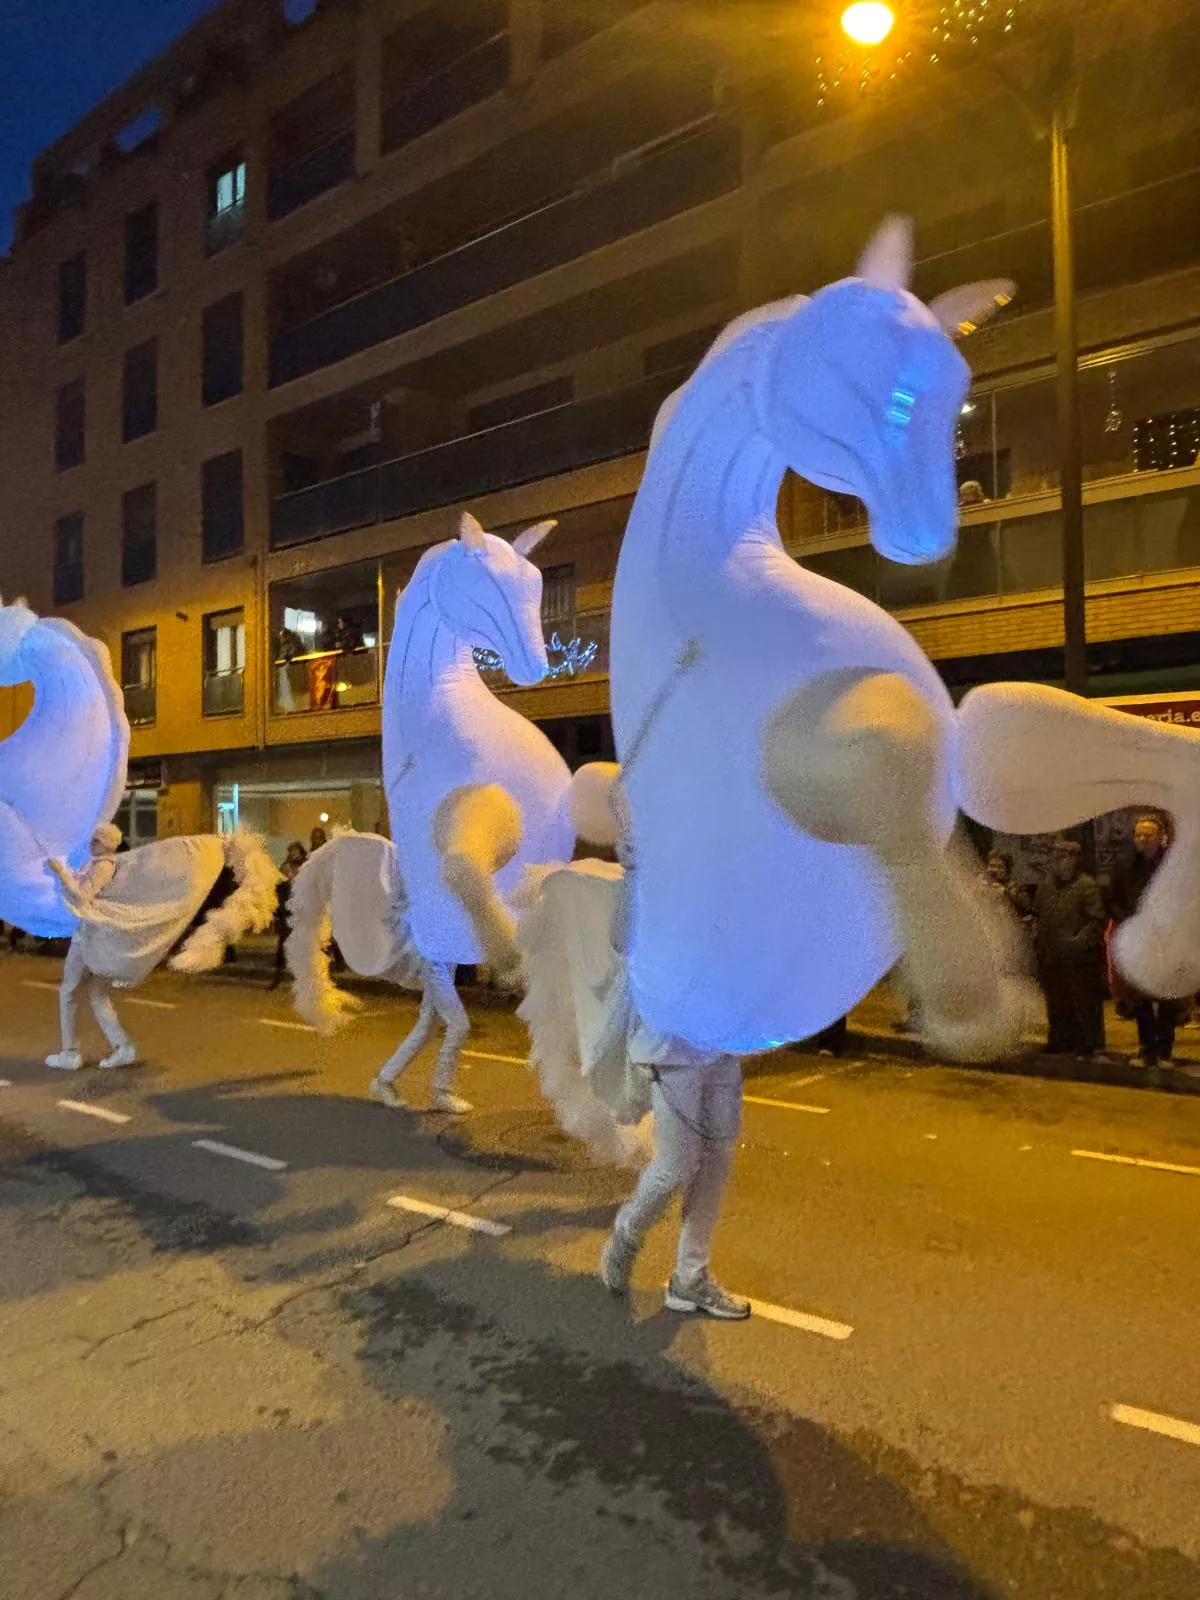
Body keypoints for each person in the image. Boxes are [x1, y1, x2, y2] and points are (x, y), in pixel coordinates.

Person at [597, 787, 749, 1321]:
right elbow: (622, 940)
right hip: (674, 1043)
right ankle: (625, 1234)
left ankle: (690, 1278)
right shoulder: (656, 872)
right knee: (676, 1165)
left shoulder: (727, 879)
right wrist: (633, 872)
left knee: (717, 1161)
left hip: (723, 1041)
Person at [44, 823, 138, 1071]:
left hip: (89, 937)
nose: (91, 843)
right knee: (97, 994)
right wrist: (63, 871)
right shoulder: (104, 864)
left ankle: (70, 1052)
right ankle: (123, 1047)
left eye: (96, 841)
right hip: (98, 936)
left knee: (69, 991)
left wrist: (61, 873)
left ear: (106, 845)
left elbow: (82, 896)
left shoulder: (103, 866)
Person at [1109, 814, 1181, 1069]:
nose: (1142, 839)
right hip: (1139, 938)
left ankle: (1165, 1050)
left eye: (1148, 835)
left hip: (1167, 937)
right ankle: (1146, 1048)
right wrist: (1128, 920)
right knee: (1140, 997)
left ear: (1160, 837)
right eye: (1138, 835)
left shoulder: (1174, 866)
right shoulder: (1124, 865)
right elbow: (1113, 899)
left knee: (1167, 996)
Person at [1032, 838, 1108, 1060]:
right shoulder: (1046, 885)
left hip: (1080, 958)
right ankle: (1060, 1040)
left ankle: (1088, 1044)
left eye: (1064, 857)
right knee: (1057, 1001)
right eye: (1055, 857)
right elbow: (1039, 914)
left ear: (1074, 859)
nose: (1059, 861)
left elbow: (1096, 920)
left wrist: (1078, 941)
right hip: (1052, 954)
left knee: (1083, 1003)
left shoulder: (1086, 885)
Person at [268, 841, 307, 991]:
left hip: (302, 913)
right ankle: (277, 977)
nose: (292, 854)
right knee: (283, 946)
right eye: (290, 851)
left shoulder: (307, 867)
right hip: (286, 913)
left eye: (295, 851)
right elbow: (277, 890)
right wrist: (277, 912)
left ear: (301, 853)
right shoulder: (284, 869)